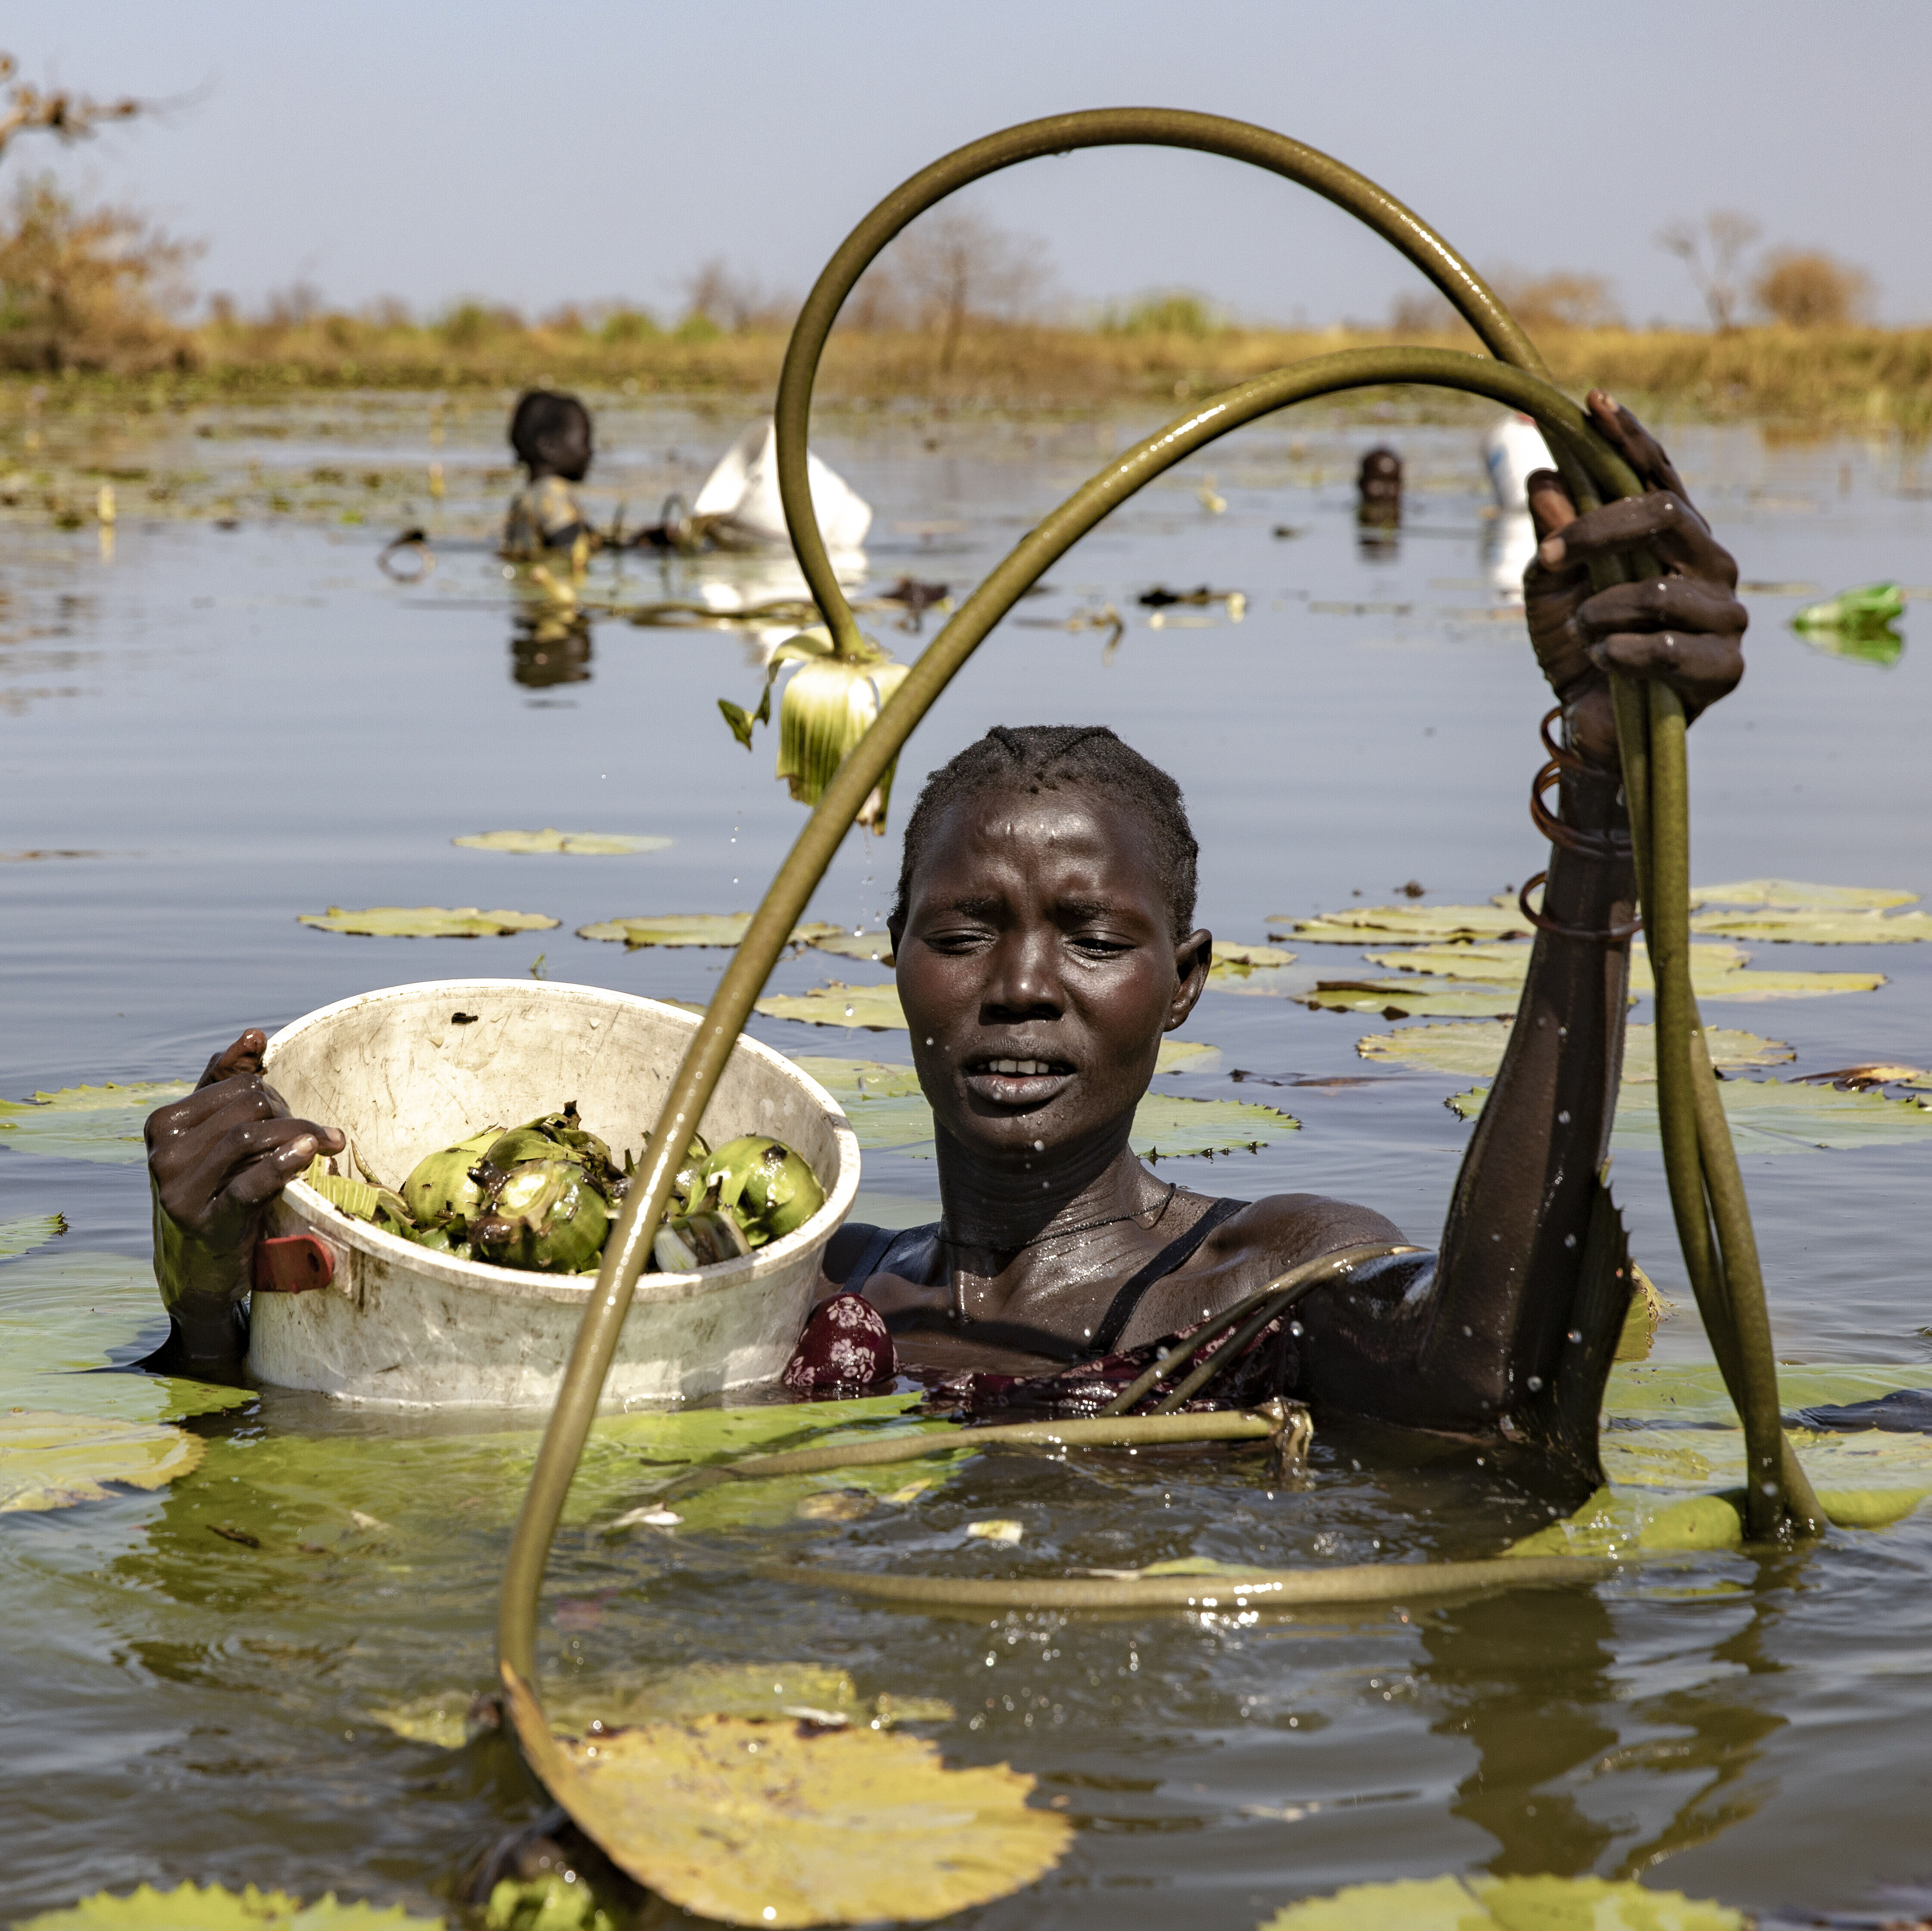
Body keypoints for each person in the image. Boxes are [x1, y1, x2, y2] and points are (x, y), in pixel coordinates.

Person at [146, 394, 1746, 1455]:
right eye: (964, 931)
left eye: (1092, 937)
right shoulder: (791, 1286)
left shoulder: (1263, 1284)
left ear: (1183, 984)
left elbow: (1485, 1397)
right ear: (892, 958)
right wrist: (217, 1279)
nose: (1022, 987)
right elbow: (388, 1413)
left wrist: (1600, 807)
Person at [501, 390, 596, 559]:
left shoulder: (531, 495)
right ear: (549, 447)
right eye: (585, 441)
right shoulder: (551, 492)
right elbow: (573, 548)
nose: (590, 452)